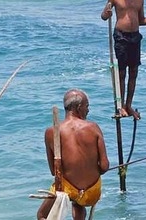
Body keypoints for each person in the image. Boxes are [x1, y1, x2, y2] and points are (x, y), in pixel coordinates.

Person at [37, 89, 109, 220]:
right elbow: (104, 166)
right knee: (78, 204)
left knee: (41, 215)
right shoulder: (93, 127)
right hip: (92, 193)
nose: (88, 110)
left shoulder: (51, 131)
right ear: (78, 107)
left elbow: (54, 171)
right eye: (87, 106)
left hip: (66, 191)